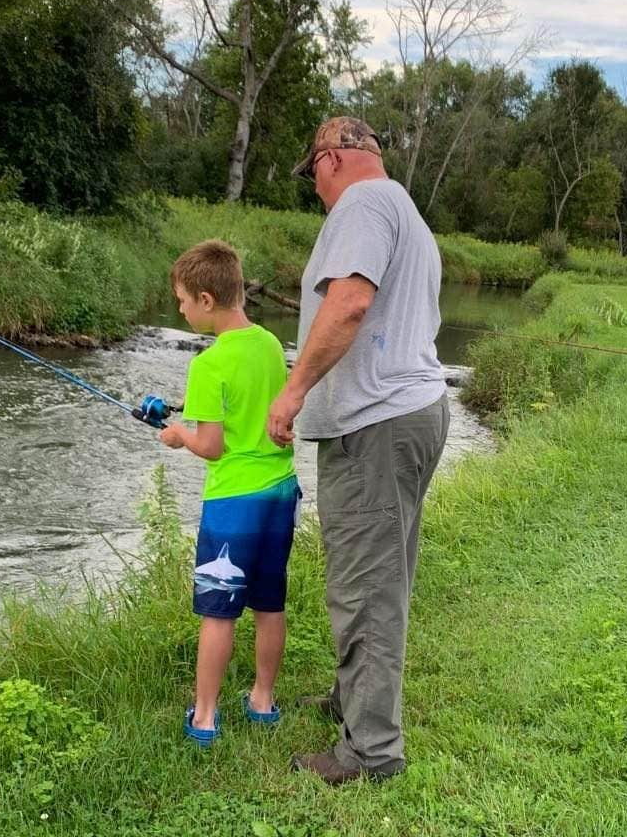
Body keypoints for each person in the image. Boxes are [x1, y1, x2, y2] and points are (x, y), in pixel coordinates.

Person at [267, 117, 449, 786]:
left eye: (312, 168)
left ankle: (370, 752)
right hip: (406, 414)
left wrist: (291, 392)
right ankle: (353, 702)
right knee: (379, 575)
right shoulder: (401, 206)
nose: (313, 183)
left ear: (334, 158)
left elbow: (347, 305)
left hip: (376, 425)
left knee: (366, 588)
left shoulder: (362, 203)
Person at [160, 240, 300, 748]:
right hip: (281, 493)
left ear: (205, 299)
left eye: (180, 300)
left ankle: (205, 717)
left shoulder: (208, 365)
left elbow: (213, 446)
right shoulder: (268, 344)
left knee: (218, 611)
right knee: (269, 601)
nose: (179, 309)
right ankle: (262, 701)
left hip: (232, 503)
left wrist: (179, 436)